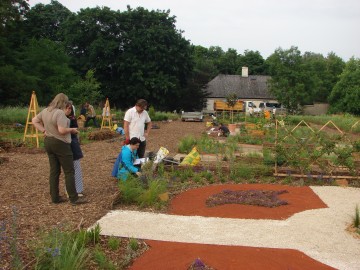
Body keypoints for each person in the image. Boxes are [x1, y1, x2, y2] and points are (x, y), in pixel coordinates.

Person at [32, 93, 87, 205]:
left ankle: (55, 197)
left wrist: (43, 130)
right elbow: (61, 130)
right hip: (60, 143)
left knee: (54, 171)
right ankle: (73, 198)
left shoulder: (46, 110)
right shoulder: (60, 113)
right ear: (63, 102)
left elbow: (34, 120)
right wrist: (72, 130)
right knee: (69, 171)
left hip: (48, 142)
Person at [64, 102, 85, 196]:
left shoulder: (72, 118)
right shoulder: (62, 118)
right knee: (69, 169)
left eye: (70, 109)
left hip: (73, 144)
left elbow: (75, 131)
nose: (68, 110)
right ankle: (70, 190)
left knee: (76, 167)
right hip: (66, 144)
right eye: (67, 108)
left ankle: (77, 189)